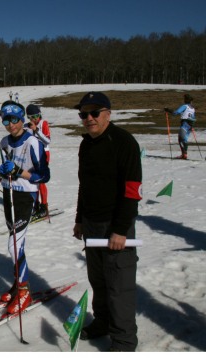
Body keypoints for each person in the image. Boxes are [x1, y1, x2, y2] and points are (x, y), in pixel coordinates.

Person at [72, 92, 141, 352]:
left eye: (94, 113)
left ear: (108, 114)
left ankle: (123, 341)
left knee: (118, 286)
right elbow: (84, 186)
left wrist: (121, 230)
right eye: (83, 114)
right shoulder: (85, 145)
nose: (88, 119)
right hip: (91, 224)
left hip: (115, 227)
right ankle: (103, 322)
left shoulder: (124, 142)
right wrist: (80, 219)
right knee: (98, 280)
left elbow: (132, 190)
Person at [0, 100, 50, 315]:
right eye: (6, 120)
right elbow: (6, 169)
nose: (10, 124)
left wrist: (20, 172)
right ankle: (18, 284)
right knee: (15, 243)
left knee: (13, 245)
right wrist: (5, 172)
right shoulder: (3, 142)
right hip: (8, 193)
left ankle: (25, 291)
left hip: (26, 195)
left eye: (15, 119)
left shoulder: (33, 143)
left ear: (22, 119)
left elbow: (44, 175)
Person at [25, 104, 51, 219]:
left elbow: (48, 140)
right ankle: (36, 206)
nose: (35, 119)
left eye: (36, 116)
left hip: (43, 154)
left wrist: (36, 130)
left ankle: (44, 207)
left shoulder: (43, 123)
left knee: (40, 181)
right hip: (31, 155)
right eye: (32, 117)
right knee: (32, 181)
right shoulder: (27, 126)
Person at [164, 93, 196, 159]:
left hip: (184, 124)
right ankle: (184, 154)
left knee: (181, 139)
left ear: (186, 100)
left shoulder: (184, 106)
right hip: (190, 125)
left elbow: (176, 112)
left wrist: (168, 110)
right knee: (185, 139)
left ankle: (184, 154)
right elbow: (193, 118)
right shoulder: (192, 108)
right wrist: (192, 127)